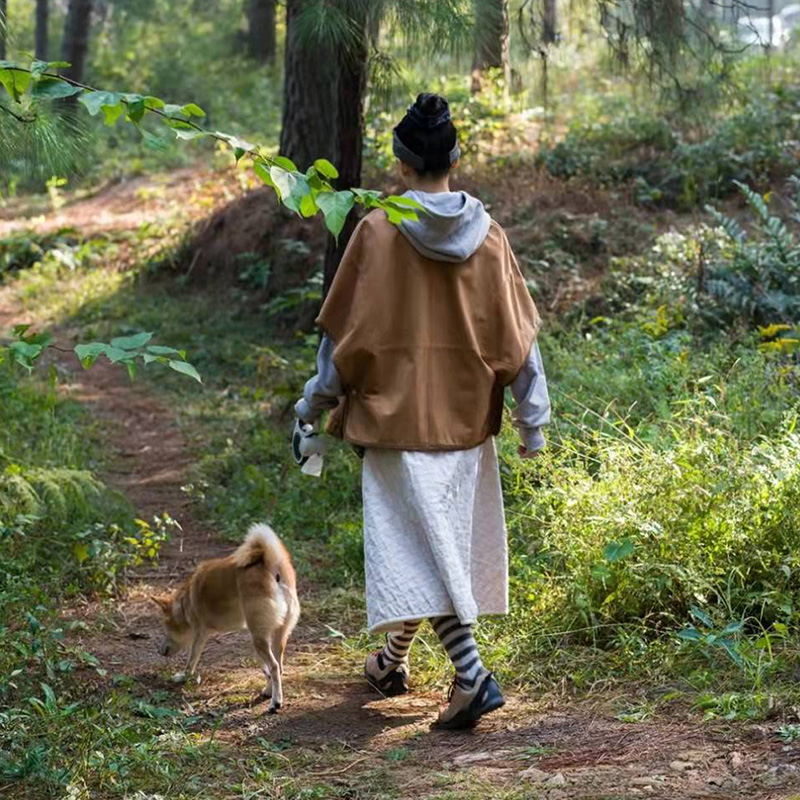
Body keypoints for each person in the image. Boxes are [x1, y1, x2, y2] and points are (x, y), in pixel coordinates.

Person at [294, 93, 550, 730]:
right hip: (465, 424)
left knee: (421, 547)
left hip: (393, 421)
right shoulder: (488, 238)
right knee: (427, 545)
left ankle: (472, 676)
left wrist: (311, 407)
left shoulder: (377, 232)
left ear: (401, 164)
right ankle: (389, 663)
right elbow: (520, 339)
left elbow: (342, 340)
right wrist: (532, 420)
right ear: (454, 160)